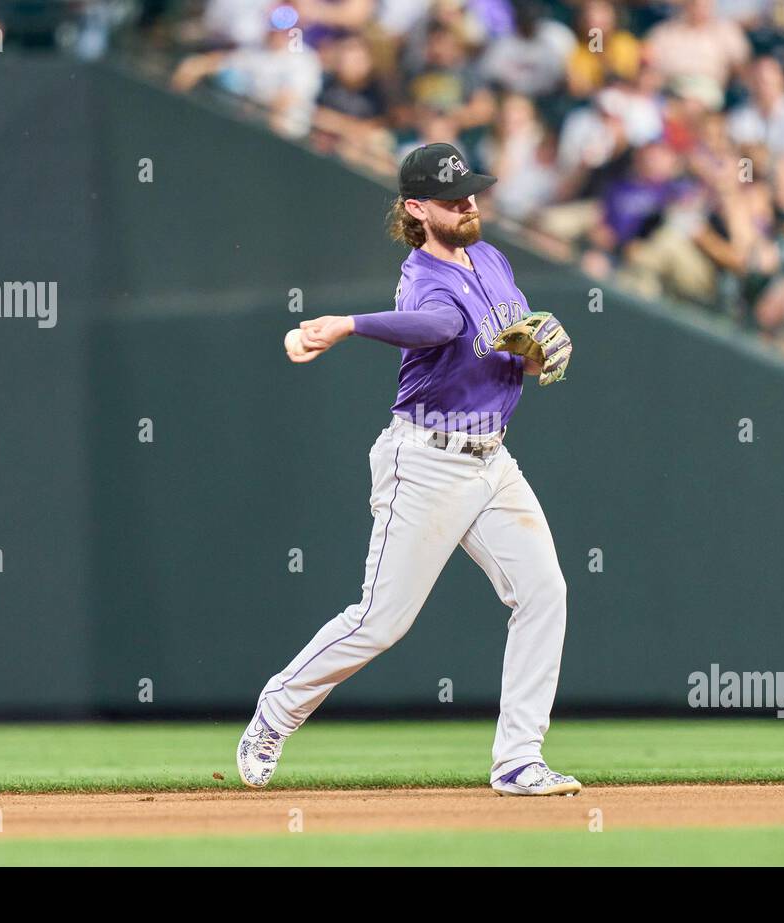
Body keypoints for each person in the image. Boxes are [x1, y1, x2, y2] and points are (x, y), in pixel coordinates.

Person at [236, 143, 582, 797]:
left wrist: (537, 354)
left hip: (492, 459)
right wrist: (348, 324)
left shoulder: (491, 258)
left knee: (544, 593)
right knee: (381, 622)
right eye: (454, 199)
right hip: (426, 462)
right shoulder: (427, 276)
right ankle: (276, 710)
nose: (470, 203)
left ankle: (517, 760)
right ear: (418, 209)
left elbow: (507, 349)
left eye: (472, 192)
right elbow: (434, 325)